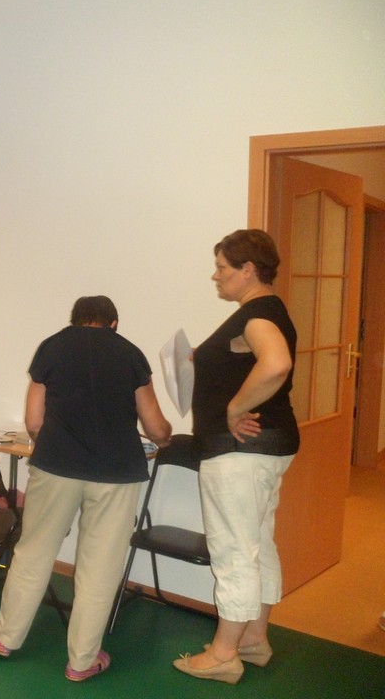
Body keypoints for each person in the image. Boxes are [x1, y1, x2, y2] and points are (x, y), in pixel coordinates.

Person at [0, 295, 171, 681]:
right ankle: (82, 661)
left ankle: (6, 638)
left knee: (33, 552)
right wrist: (166, 436)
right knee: (100, 567)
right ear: (113, 323)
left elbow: (34, 421)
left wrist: (57, 444)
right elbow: (155, 426)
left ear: (75, 321)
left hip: (56, 466)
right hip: (116, 472)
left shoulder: (52, 347)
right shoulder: (131, 354)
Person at [173, 229, 300, 685]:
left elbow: (276, 364)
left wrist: (233, 410)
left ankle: (224, 653)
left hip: (239, 452)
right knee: (257, 542)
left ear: (248, 270)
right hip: (265, 449)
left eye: (222, 268)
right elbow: (250, 362)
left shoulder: (257, 314)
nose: (216, 276)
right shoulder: (268, 310)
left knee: (233, 550)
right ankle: (254, 639)